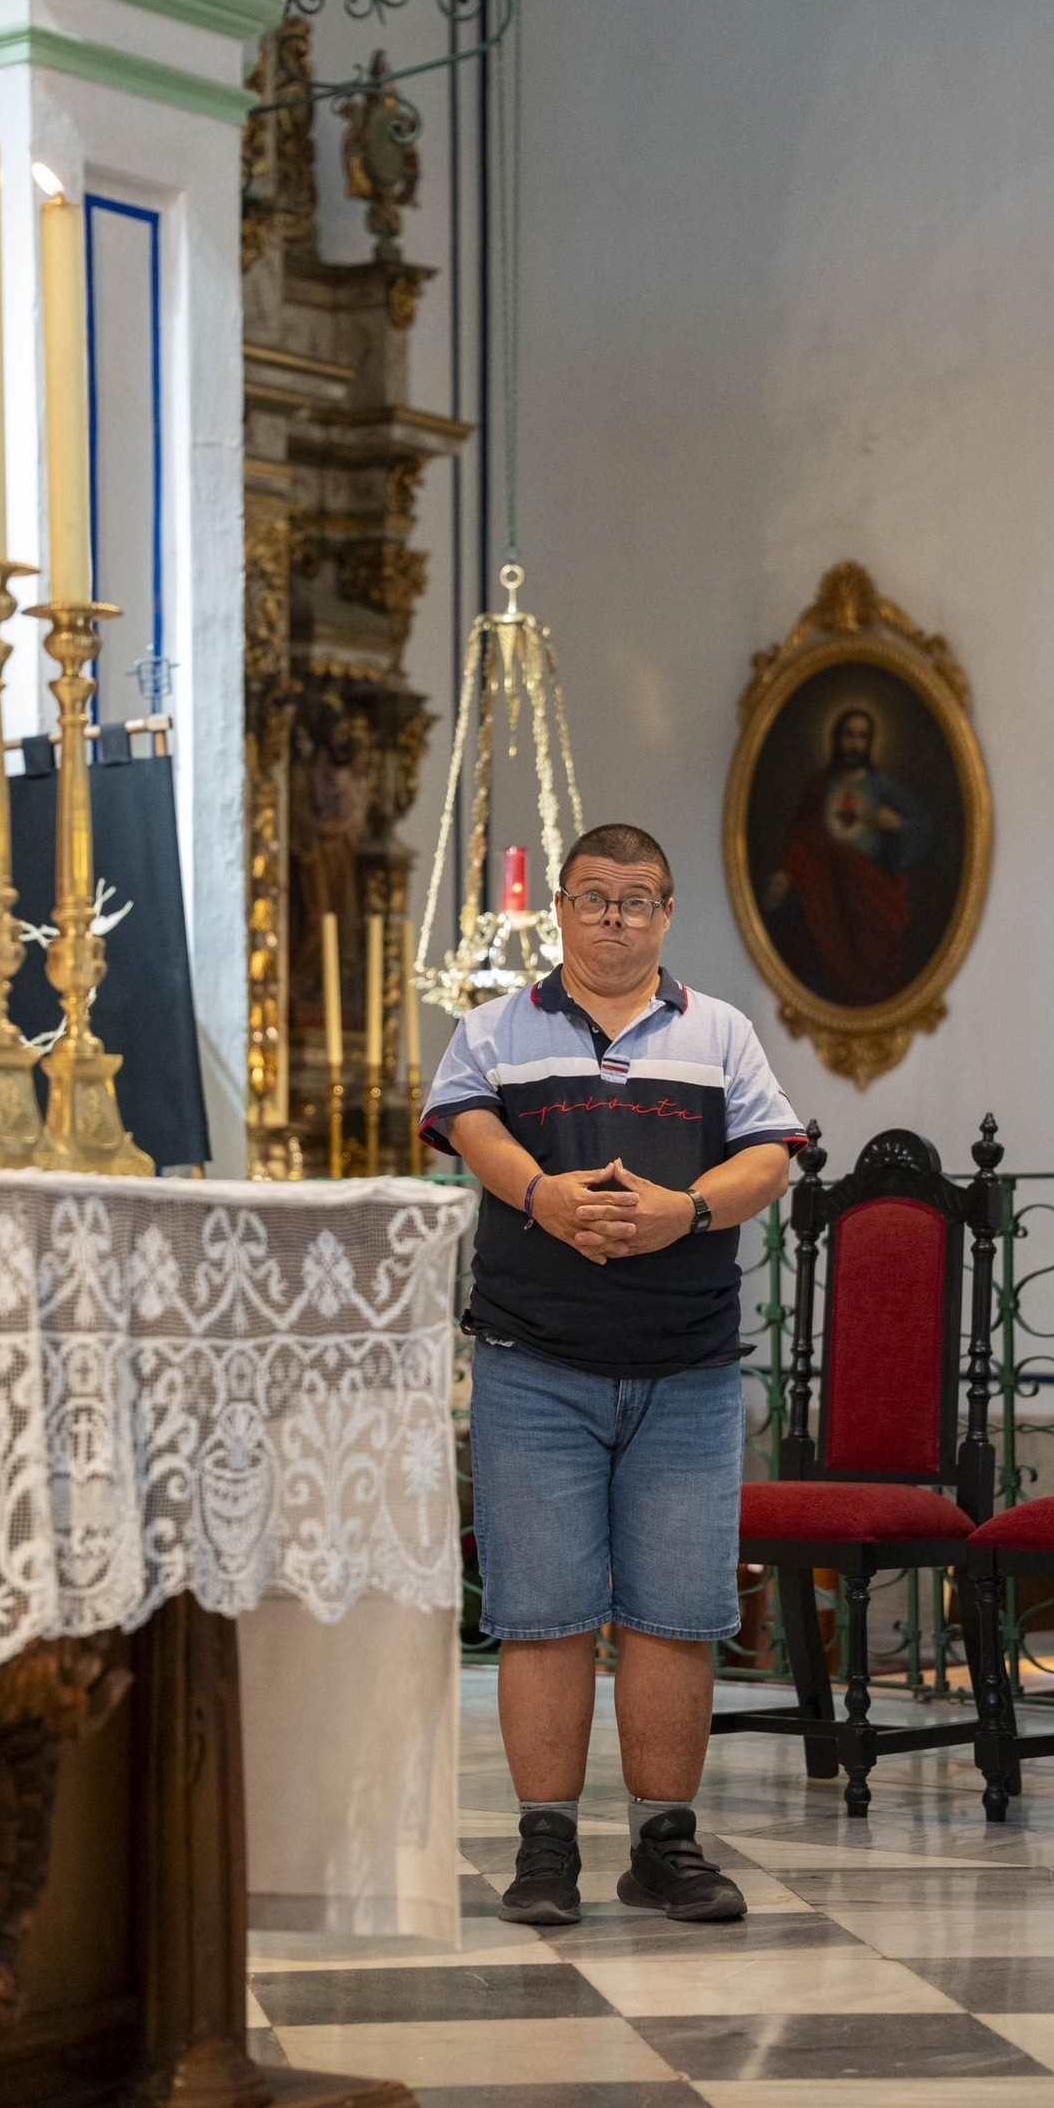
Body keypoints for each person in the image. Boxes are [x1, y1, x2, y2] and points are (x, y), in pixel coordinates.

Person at [421, 823, 804, 1926]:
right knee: (542, 1617)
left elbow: (771, 1155)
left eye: (638, 900)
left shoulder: (720, 1032)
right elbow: (468, 1125)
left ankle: (663, 1847)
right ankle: (544, 1852)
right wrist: (543, 1196)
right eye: (594, 898)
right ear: (560, 909)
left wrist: (681, 1210)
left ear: (667, 914)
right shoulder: (492, 1027)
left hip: (683, 1366)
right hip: (533, 1363)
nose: (614, 918)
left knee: (676, 1616)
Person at [762, 705, 933, 1004]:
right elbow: (801, 834)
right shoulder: (821, 785)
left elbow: (923, 828)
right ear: (837, 738)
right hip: (826, 891)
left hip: (871, 889)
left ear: (870, 742)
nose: (854, 744)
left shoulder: (882, 785)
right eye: (849, 735)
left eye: (861, 737)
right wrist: (790, 869)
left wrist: (897, 824)